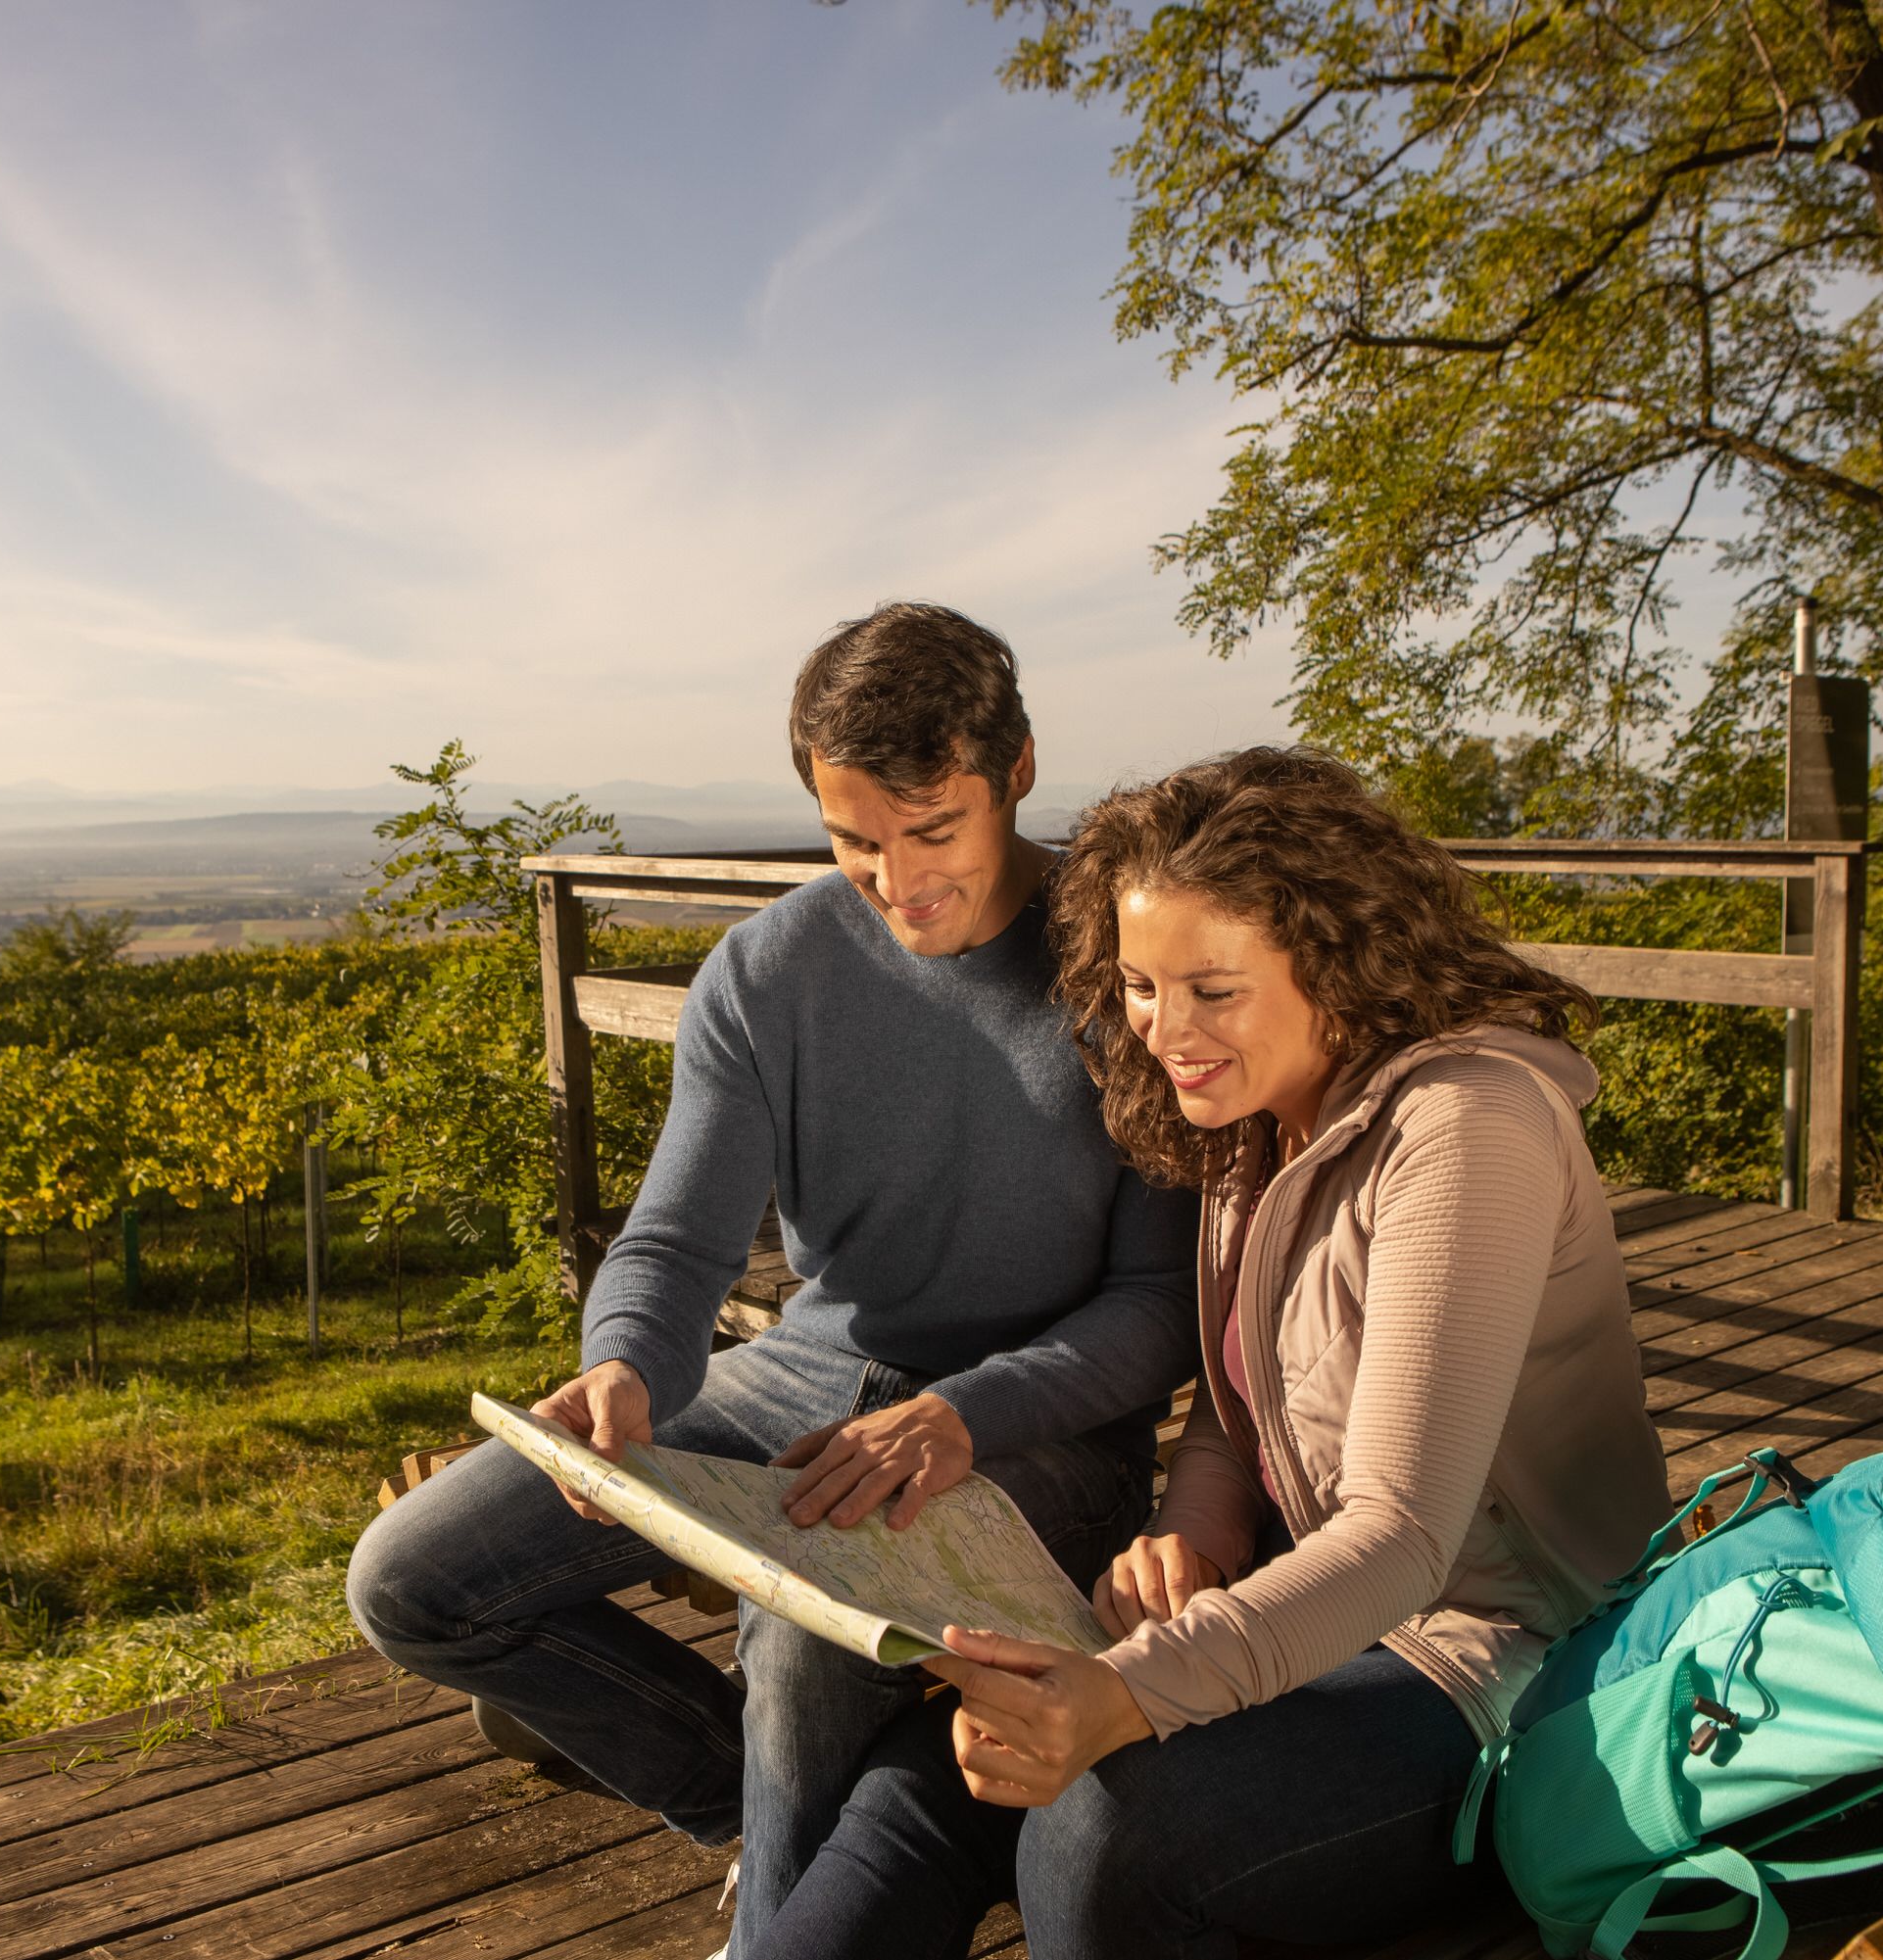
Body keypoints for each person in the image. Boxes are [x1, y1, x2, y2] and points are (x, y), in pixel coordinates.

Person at [342, 601, 1200, 1956]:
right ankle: (763, 1819)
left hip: (1037, 1430)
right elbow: (675, 1244)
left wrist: (963, 1412)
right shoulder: (768, 969)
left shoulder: (1125, 967)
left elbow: (1158, 1308)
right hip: (801, 1378)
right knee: (411, 1578)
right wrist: (624, 1358)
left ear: (1019, 770)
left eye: (934, 833)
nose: (896, 880)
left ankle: (782, 1924)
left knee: (810, 1620)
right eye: (854, 838)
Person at [749, 746, 1672, 1960]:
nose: (1166, 1031)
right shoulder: (1256, 1126)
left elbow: (1401, 1536)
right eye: (1138, 984)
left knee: (1097, 1826)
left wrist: (1129, 1692)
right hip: (1312, 1605)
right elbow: (1245, 1408)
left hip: (1513, 1661)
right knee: (936, 1778)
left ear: (1337, 967)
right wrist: (1198, 1531)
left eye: (1213, 991)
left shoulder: (1467, 1129)